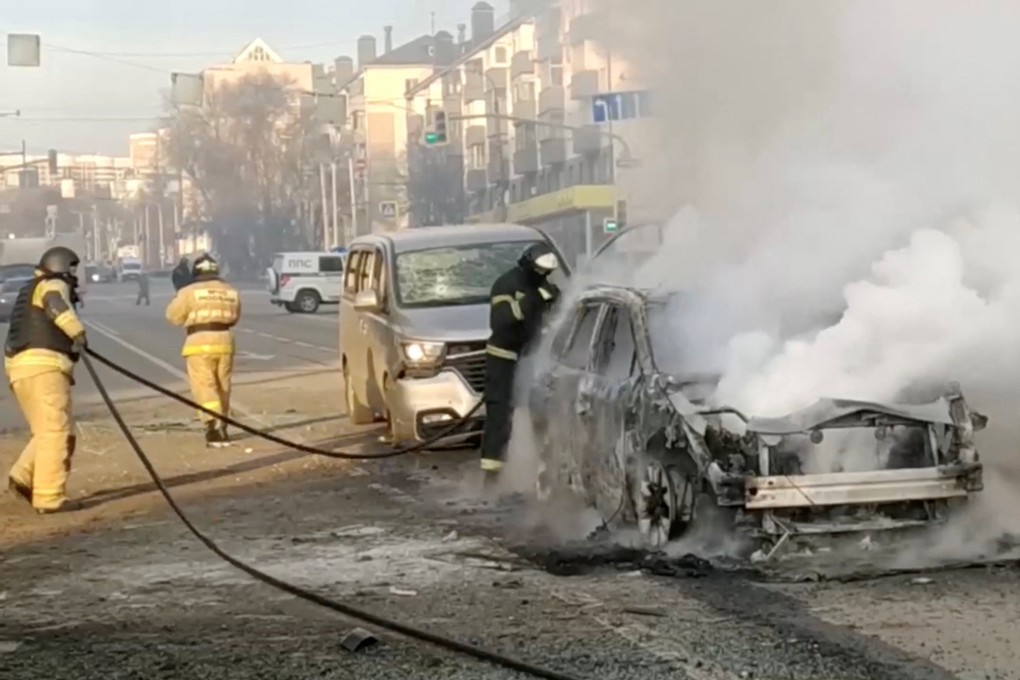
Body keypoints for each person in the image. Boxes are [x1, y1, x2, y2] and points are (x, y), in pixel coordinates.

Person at [5, 246, 88, 514]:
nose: (74, 276)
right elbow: (56, 305)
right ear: (62, 267)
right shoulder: (52, 284)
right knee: (57, 432)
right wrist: (77, 332)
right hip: (45, 367)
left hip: (20, 368)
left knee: (46, 430)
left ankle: (23, 476)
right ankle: (49, 498)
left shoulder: (30, 289)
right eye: (72, 269)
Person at [480, 241, 561, 485]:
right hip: (502, 360)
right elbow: (502, 319)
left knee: (539, 414)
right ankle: (491, 478)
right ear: (529, 263)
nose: (543, 275)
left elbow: (555, 309)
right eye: (540, 270)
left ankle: (539, 471)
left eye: (546, 272)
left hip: (530, 360)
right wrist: (532, 300)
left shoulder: (543, 286)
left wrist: (555, 299)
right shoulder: (506, 284)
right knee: (500, 417)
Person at [165, 253, 241, 448]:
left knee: (205, 385)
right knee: (223, 385)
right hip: (225, 341)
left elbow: (173, 317)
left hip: (198, 342)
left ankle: (213, 427)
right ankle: (223, 424)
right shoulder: (230, 291)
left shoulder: (189, 291)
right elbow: (235, 317)